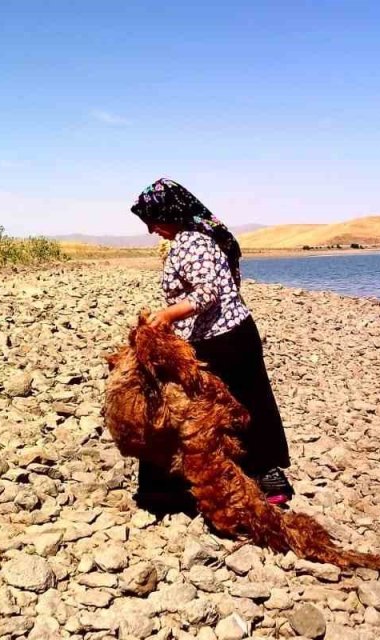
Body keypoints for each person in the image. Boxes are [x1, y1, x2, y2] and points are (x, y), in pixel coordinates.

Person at [129, 177, 294, 509]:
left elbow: (207, 293)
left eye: (153, 220)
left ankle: (164, 490)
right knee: (252, 403)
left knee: (183, 407)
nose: (151, 230)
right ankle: (266, 478)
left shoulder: (191, 243)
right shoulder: (207, 238)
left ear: (171, 213)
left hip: (218, 342)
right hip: (237, 334)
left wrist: (169, 315)